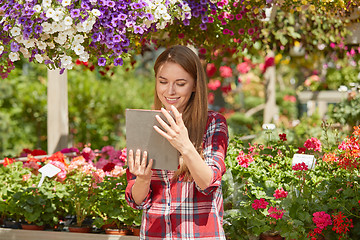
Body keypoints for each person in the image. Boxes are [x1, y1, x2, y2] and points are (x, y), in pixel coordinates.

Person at [125, 45, 229, 239]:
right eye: (163, 81)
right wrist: (143, 179)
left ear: (195, 85)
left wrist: (184, 144)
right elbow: (137, 200)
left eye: (180, 83)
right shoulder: (146, 125)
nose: (170, 91)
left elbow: (208, 181)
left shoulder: (213, 123)